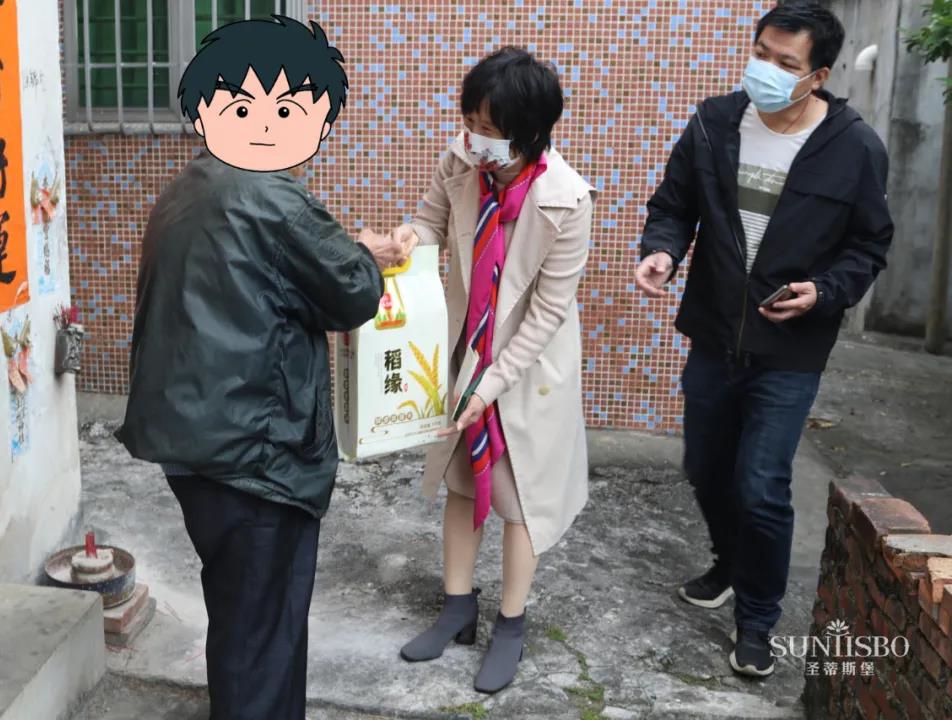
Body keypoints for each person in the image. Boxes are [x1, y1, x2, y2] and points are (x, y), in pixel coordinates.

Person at [114, 16, 404, 719]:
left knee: (242, 617)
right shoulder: (273, 198)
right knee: (261, 636)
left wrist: (346, 250)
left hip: (194, 443)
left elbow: (265, 279)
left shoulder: (188, 187)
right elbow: (352, 293)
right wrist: (369, 253)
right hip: (254, 454)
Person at [635, 2, 893, 678]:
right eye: (761, 54)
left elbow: (869, 245)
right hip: (714, 333)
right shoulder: (714, 122)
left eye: (786, 63)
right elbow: (673, 206)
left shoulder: (854, 147)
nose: (766, 71)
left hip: (789, 348)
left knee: (762, 485)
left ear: (818, 76)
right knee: (705, 467)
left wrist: (825, 291)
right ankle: (729, 562)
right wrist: (662, 250)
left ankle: (756, 620)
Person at [391, 47, 596, 694]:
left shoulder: (568, 200)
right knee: (460, 481)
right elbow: (429, 220)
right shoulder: (461, 160)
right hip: (465, 348)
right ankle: (457, 607)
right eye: (470, 121)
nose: (474, 136)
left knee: (518, 498)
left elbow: (546, 314)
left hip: (527, 369)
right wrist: (408, 238)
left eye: (488, 127)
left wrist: (490, 385)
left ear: (529, 132)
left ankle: (511, 622)